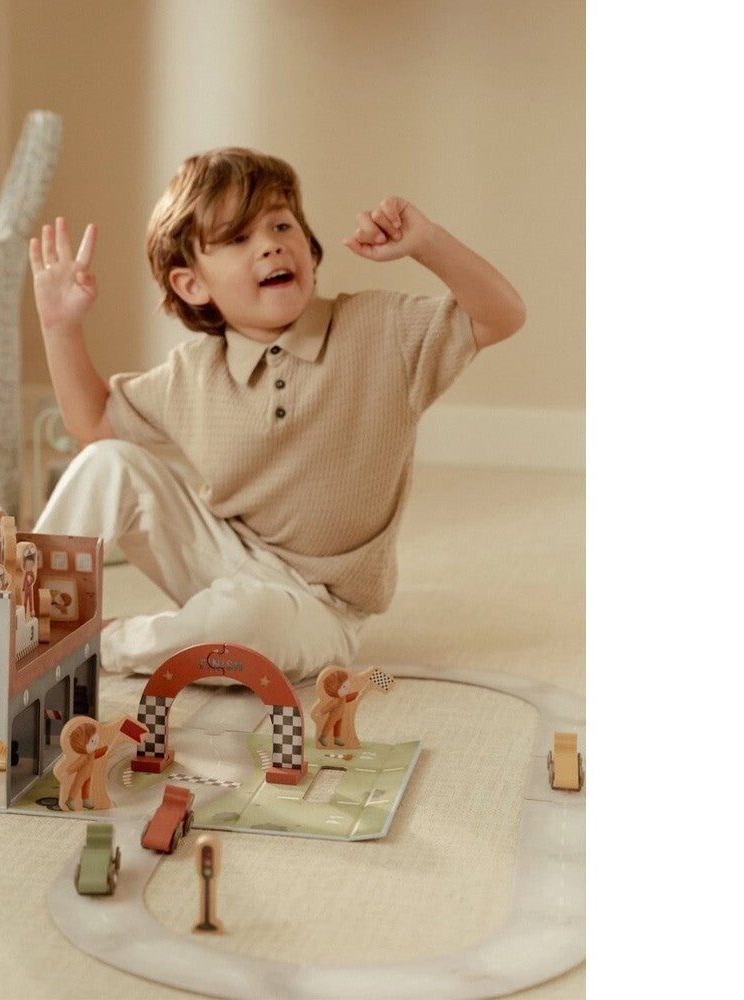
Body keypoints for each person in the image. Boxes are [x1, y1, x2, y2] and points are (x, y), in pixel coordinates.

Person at [29, 147, 525, 680]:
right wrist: (61, 327)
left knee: (246, 624)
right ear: (192, 284)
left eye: (282, 225)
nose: (270, 244)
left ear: (309, 248)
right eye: (238, 238)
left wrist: (425, 241)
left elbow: (501, 315)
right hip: (222, 555)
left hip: (318, 607)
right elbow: (94, 425)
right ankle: (24, 616)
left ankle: (103, 643)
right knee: (108, 462)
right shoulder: (194, 371)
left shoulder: (382, 330)